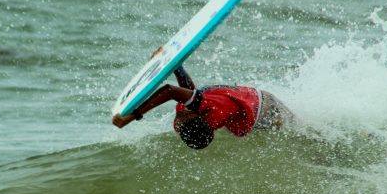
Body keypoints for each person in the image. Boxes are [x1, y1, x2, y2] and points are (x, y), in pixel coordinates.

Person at [112, 65, 295, 149]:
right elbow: (170, 91)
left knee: (298, 131)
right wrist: (132, 116)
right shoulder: (208, 108)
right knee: (295, 132)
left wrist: (176, 66)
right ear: (198, 116)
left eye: (182, 117)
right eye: (184, 116)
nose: (181, 111)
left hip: (262, 104)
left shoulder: (195, 111)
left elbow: (181, 91)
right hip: (267, 110)